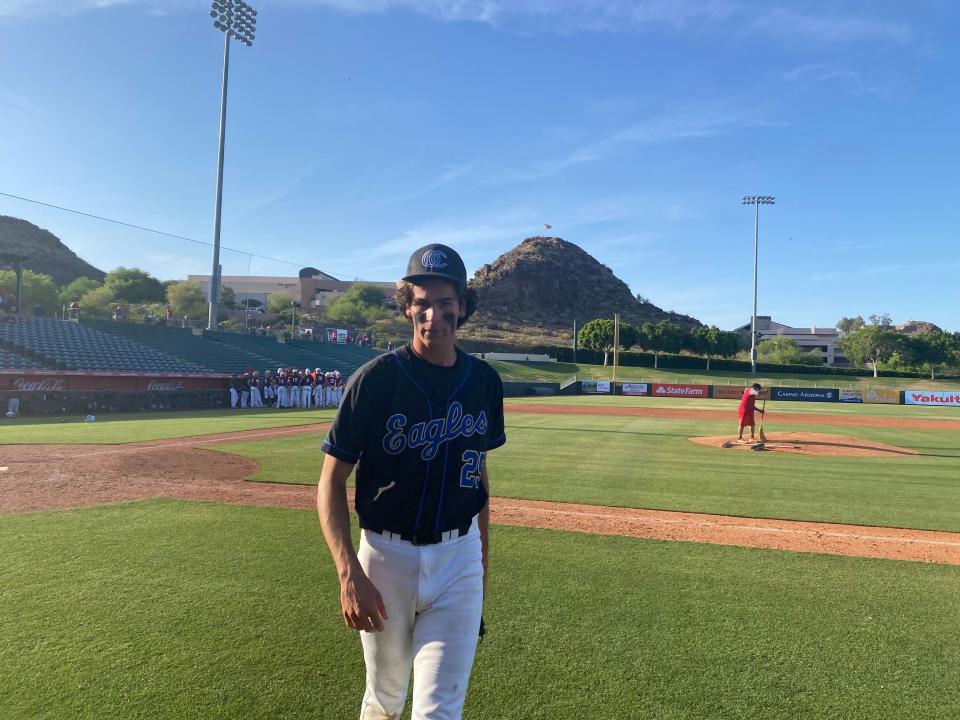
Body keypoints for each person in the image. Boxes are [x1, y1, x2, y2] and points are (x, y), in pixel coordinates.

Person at [317, 243, 505, 720]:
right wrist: (348, 573)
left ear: (462, 307)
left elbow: (477, 476)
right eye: (422, 302)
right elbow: (330, 482)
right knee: (385, 696)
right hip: (385, 557)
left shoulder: (483, 381)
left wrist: (479, 566)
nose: (434, 315)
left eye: (446, 304)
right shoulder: (375, 380)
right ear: (407, 305)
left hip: (458, 559)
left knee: (440, 710)